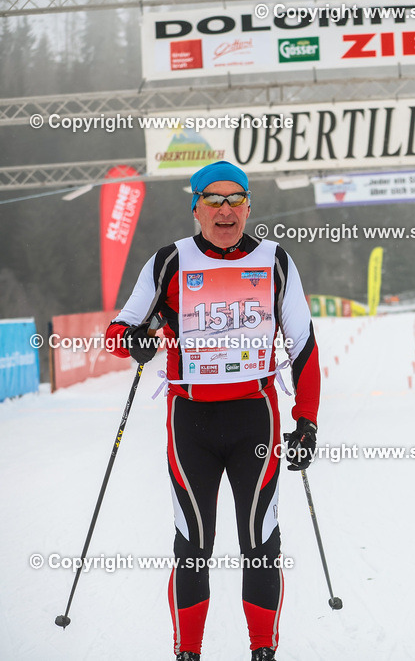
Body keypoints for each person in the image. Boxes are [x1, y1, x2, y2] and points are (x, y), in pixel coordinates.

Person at [104, 161, 321, 661]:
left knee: (260, 542)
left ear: (249, 206)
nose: (225, 211)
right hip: (191, 422)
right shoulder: (168, 262)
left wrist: (306, 419)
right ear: (195, 207)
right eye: (214, 200)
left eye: (236, 200)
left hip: (256, 420)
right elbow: (119, 333)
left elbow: (304, 345)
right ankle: (189, 653)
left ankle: (262, 650)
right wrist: (138, 341)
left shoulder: (275, 260)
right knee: (193, 544)